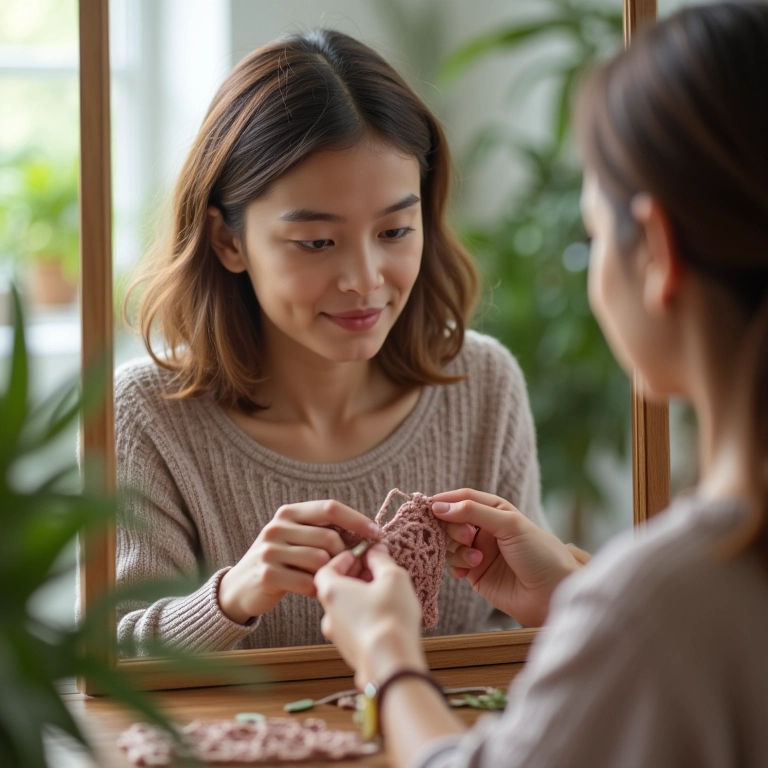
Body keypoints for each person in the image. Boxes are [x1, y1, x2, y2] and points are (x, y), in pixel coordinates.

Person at [315, 3, 768, 766]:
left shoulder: (668, 600)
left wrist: (389, 657)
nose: (364, 277)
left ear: (655, 251)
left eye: (593, 232)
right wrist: (574, 598)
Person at [115, 29, 552, 655]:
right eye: (317, 242)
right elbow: (107, 663)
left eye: (396, 231)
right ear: (228, 241)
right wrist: (232, 596)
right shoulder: (146, 413)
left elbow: (519, 647)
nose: (365, 280)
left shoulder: (486, 386)